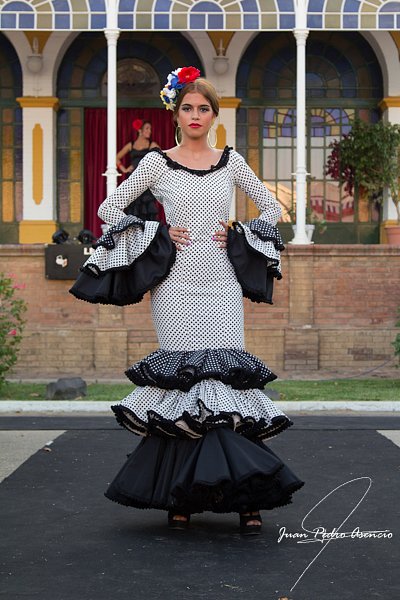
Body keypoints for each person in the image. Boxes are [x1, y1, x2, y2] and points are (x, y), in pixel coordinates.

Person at [70, 66, 304, 535]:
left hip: (221, 282)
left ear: (215, 116)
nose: (195, 115)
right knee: (184, 384)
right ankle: (182, 495)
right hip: (174, 284)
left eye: (203, 109)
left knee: (223, 383)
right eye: (187, 108)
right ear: (174, 113)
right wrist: (157, 232)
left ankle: (246, 497)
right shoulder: (155, 163)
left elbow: (275, 208)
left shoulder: (232, 163)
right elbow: (108, 208)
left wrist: (238, 232)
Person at [116, 119, 161, 221]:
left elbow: (163, 158)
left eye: (150, 129)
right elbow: (116, 157)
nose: (149, 131)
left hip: (145, 180)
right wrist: (124, 169)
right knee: (133, 206)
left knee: (146, 207)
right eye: (147, 128)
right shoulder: (131, 145)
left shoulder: (152, 144)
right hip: (132, 178)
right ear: (140, 130)